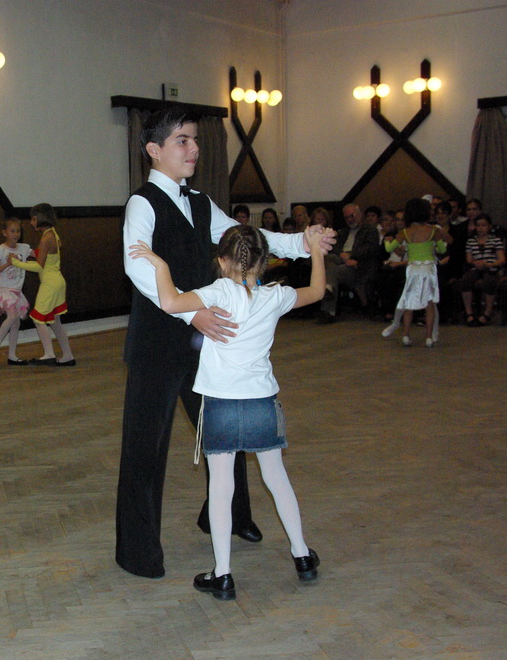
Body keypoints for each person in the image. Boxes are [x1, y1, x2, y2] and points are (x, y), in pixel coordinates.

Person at [115, 108, 333, 579]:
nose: (194, 148)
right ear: (154, 150)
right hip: (158, 345)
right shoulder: (142, 203)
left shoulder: (199, 201)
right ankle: (138, 552)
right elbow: (137, 266)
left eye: (194, 140)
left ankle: (234, 517)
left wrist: (303, 242)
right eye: (183, 140)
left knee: (227, 427)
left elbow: (247, 240)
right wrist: (194, 313)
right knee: (145, 450)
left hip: (204, 342)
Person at [128, 223, 325, 600]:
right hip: (262, 402)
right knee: (276, 477)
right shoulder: (275, 295)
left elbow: (169, 303)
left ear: (221, 261)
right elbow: (316, 291)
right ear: (265, 262)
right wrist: (314, 248)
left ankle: (222, 574)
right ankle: (302, 555)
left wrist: (160, 265)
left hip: (221, 403)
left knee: (221, 485)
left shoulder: (218, 291)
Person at [11, 203, 75, 366]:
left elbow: (39, 266)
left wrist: (16, 263)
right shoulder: (52, 234)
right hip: (57, 281)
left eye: (33, 219)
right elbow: (48, 260)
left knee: (38, 319)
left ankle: (49, 354)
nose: (31, 223)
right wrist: (34, 254)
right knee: (55, 321)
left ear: (40, 218)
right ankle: (68, 356)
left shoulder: (46, 238)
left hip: (50, 284)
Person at [382, 198, 447, 347]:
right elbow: (443, 249)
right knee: (429, 303)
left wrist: (386, 241)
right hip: (429, 269)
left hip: (413, 270)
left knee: (409, 302)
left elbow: (389, 248)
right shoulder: (433, 231)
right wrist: (434, 247)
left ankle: (406, 335)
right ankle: (428, 337)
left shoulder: (405, 232)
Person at [318, 204, 379, 323]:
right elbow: (334, 247)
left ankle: (328, 309)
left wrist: (351, 256)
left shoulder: (370, 230)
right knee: (328, 258)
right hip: (342, 260)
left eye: (352, 216)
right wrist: (344, 257)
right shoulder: (344, 232)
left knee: (331, 272)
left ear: (360, 215)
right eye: (347, 217)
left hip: (358, 265)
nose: (350, 219)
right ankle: (328, 289)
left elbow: (370, 250)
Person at [0, 218, 32, 366]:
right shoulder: (0, 250)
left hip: (17, 291)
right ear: (4, 233)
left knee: (15, 322)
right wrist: (8, 263)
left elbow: (39, 254)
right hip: (5, 290)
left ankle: (12, 355)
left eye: (18, 231)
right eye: (12, 231)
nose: (16, 234)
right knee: (12, 316)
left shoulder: (24, 248)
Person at [458, 214, 507, 326]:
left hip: (491, 268)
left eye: (483, 225)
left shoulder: (496, 240)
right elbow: (469, 259)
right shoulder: (471, 241)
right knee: (465, 280)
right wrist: (475, 263)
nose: (480, 228)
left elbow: (502, 260)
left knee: (490, 281)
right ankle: (469, 313)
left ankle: (487, 313)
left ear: (489, 226)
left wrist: (489, 264)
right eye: (478, 225)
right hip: (476, 268)